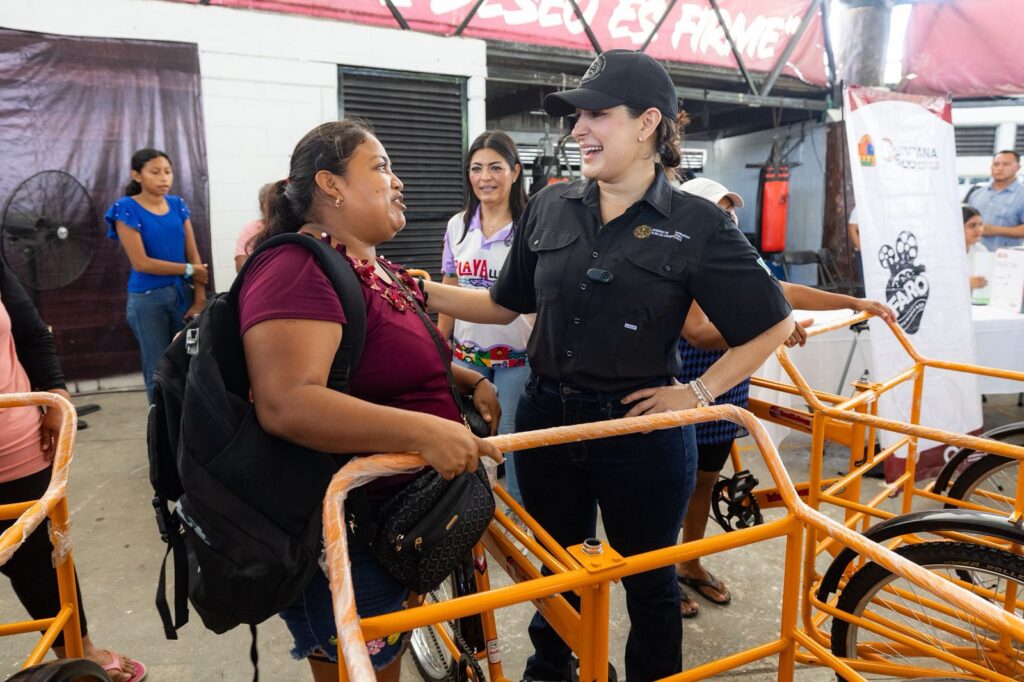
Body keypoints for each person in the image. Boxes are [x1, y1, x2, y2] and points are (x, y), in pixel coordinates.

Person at [421, 50, 794, 681]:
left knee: (649, 583)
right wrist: (411, 287)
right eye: (576, 117)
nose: (577, 130)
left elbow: (775, 323)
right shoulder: (549, 205)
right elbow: (501, 301)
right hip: (546, 420)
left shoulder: (699, 223)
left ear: (649, 123)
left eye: (596, 114)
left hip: (637, 435)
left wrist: (699, 392)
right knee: (557, 569)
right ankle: (553, 670)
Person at [238, 120, 502, 682]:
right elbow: (287, 403)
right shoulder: (295, 268)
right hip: (344, 536)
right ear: (331, 184)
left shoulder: (375, 267)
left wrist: (465, 379)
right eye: (381, 166)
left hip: (394, 526)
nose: (398, 181)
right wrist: (425, 433)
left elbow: (394, 352)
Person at [674, 177, 896, 618]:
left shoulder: (740, 258)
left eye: (729, 210)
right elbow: (697, 332)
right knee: (671, 488)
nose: (727, 218)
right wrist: (770, 325)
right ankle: (656, 576)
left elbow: (785, 293)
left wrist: (854, 303)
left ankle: (688, 562)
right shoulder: (676, 260)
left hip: (726, 389)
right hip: (683, 392)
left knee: (702, 483)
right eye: (717, 210)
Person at [0, 260, 146, 682]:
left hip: (16, 446)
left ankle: (80, 653)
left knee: (41, 564)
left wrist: (55, 392)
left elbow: (30, 332)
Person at [437, 131, 533, 504]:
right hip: (467, 358)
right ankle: (476, 519)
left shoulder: (528, 226)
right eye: (476, 168)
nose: (485, 177)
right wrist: (441, 341)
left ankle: (522, 531)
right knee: (472, 445)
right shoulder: (457, 226)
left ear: (514, 172)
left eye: (495, 167)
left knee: (513, 443)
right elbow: (450, 283)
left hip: (518, 359)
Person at [105, 149, 208, 404]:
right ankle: (160, 426)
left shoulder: (176, 204)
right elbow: (141, 263)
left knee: (188, 360)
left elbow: (193, 253)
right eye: (155, 172)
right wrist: (187, 270)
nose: (164, 178)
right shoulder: (126, 208)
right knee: (157, 368)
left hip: (182, 295)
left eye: (168, 172)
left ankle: (187, 423)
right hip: (148, 300)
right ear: (136, 175)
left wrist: (199, 297)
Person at [966, 149, 1024, 251]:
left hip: (1007, 260)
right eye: (996, 164)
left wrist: (995, 230)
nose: (1000, 168)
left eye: (1006, 164)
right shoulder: (976, 194)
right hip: (973, 255)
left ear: (1018, 167)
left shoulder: (1021, 195)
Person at [234, 182, 276, 273]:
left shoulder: (292, 227)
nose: (274, 207)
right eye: (269, 202)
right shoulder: (252, 228)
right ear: (261, 207)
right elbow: (241, 267)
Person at [963, 204, 989, 291]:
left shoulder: (981, 250)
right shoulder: (945, 253)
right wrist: (965, 283)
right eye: (972, 225)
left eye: (980, 224)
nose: (979, 229)